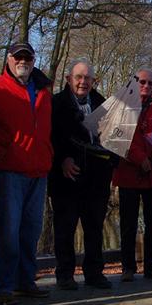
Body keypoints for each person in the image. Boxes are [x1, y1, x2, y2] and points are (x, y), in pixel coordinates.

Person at [0, 42, 53, 305]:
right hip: (9, 170)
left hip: (39, 170)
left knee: (31, 230)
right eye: (18, 57)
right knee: (9, 231)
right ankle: (4, 286)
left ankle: (25, 281)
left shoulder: (43, 89)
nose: (23, 61)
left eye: (28, 57)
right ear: (8, 59)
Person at [49, 59, 117, 289]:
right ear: (69, 79)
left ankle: (94, 273)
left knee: (95, 229)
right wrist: (61, 160)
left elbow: (116, 140)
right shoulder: (55, 104)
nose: (83, 82)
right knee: (65, 229)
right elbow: (49, 139)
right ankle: (65, 275)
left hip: (97, 180)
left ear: (93, 81)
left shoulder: (104, 104)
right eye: (78, 77)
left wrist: (111, 166)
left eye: (87, 78)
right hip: (67, 179)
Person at [112, 68, 152, 282]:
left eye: (151, 83)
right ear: (134, 81)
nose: (146, 86)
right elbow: (117, 136)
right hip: (129, 173)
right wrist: (139, 158)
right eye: (142, 82)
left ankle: (151, 266)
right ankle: (128, 267)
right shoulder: (122, 104)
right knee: (128, 223)